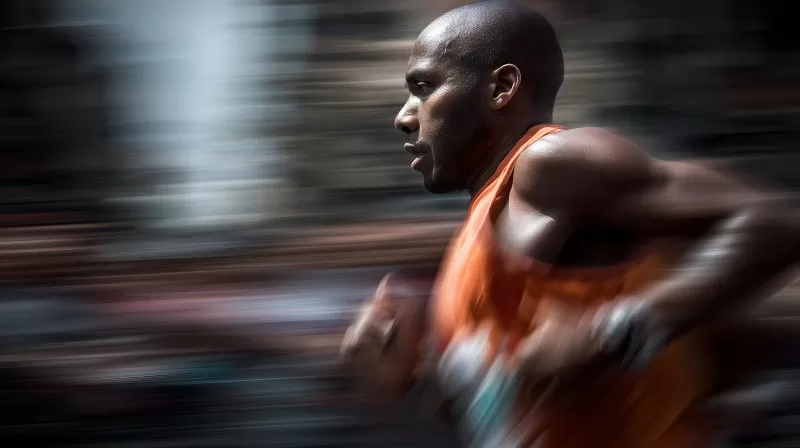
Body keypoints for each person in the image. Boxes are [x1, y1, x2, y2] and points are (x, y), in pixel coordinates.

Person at [341, 1, 800, 447]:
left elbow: (771, 220)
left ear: (501, 88)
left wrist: (615, 333)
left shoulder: (549, 164)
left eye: (423, 88)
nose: (404, 117)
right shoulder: (477, 238)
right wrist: (412, 383)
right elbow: (514, 416)